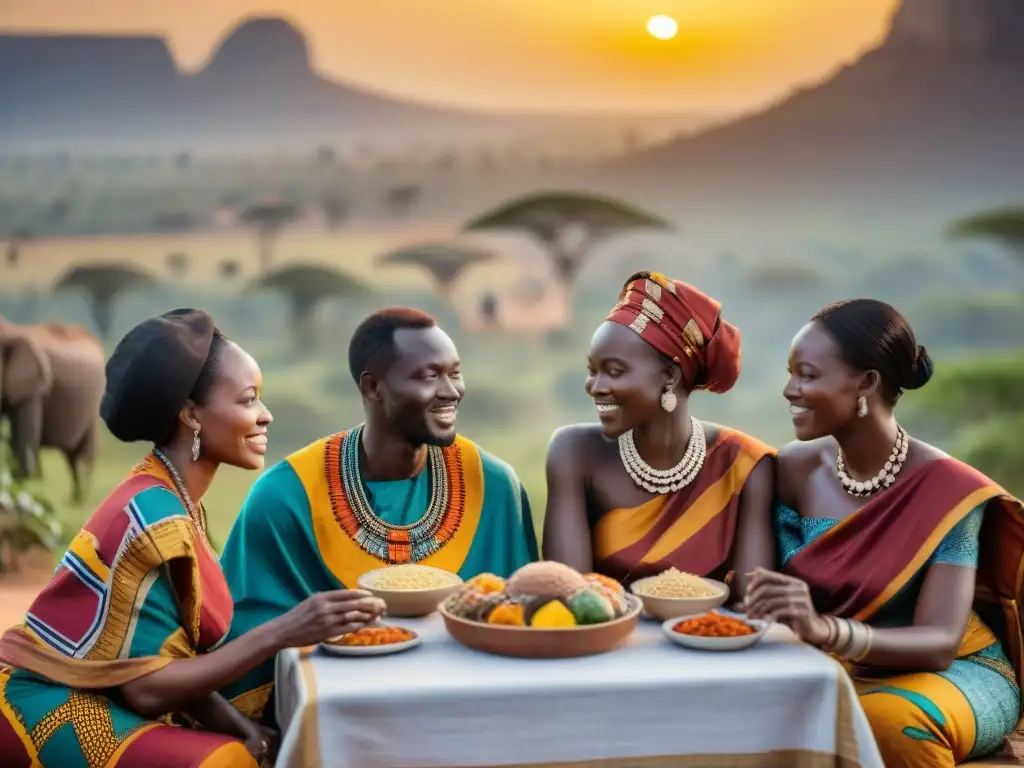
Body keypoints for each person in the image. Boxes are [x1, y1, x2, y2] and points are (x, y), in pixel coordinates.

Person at [0, 309, 386, 768]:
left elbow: (168, 653)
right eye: (247, 400)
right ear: (190, 414)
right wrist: (283, 632)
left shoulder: (174, 498)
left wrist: (243, 727)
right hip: (35, 703)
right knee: (225, 762)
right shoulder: (154, 516)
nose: (266, 416)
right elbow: (145, 688)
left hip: (89, 693)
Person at [219, 307, 539, 723]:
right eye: (428, 377)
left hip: (474, 711)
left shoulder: (493, 486)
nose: (451, 391)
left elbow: (526, 614)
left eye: (454, 373)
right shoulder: (287, 497)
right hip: (343, 719)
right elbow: (246, 639)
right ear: (373, 388)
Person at [744, 298, 1024, 768]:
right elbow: (751, 588)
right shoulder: (791, 470)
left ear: (867, 383)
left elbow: (938, 643)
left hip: (955, 674)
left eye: (807, 375)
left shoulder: (946, 492)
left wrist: (827, 629)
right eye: (790, 373)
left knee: (886, 722)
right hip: (830, 669)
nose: (789, 390)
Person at [543, 271, 774, 597]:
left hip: (708, 641)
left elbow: (751, 605)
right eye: (592, 370)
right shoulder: (575, 453)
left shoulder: (745, 465)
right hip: (605, 640)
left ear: (668, 376)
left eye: (614, 371)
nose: (595, 387)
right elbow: (569, 596)